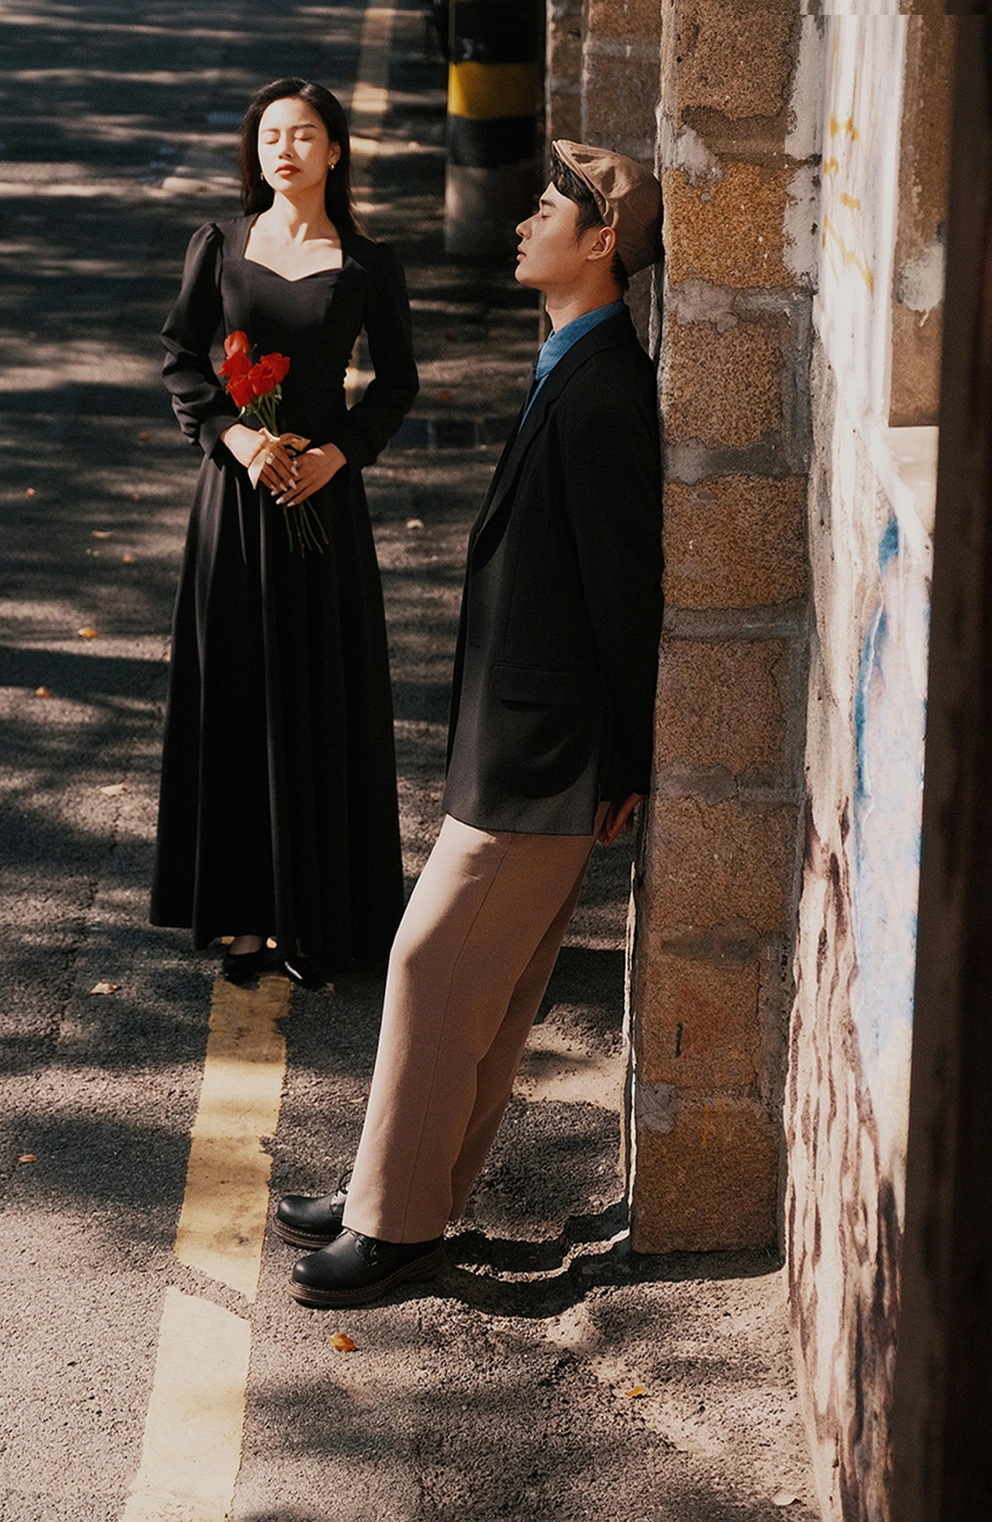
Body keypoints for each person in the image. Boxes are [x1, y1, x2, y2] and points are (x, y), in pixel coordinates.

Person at [274, 140, 665, 1307]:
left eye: (544, 210)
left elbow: (624, 598)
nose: (522, 223)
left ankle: (394, 1228)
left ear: (600, 242)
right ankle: (404, 1194)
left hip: (545, 754)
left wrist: (624, 760)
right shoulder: (569, 359)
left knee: (432, 962)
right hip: (520, 736)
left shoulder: (602, 390)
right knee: (480, 989)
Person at [150, 78, 418, 989]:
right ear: (255, 153)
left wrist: (338, 456)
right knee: (237, 693)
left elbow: (397, 384)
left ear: (335, 151)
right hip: (235, 503)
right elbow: (183, 360)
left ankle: (322, 920)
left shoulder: (369, 263)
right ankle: (243, 920)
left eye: (304, 135)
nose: (285, 151)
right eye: (270, 137)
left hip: (324, 504)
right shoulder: (220, 246)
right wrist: (236, 438)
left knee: (322, 694)